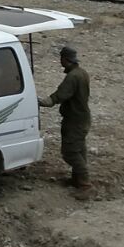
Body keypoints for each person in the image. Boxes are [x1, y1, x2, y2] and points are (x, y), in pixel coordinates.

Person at [40, 45, 92, 190]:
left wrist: (43, 102)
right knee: (79, 149)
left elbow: (60, 95)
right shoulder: (82, 73)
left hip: (74, 120)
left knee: (70, 152)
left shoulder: (73, 77)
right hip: (82, 118)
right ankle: (77, 180)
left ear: (65, 59)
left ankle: (84, 183)